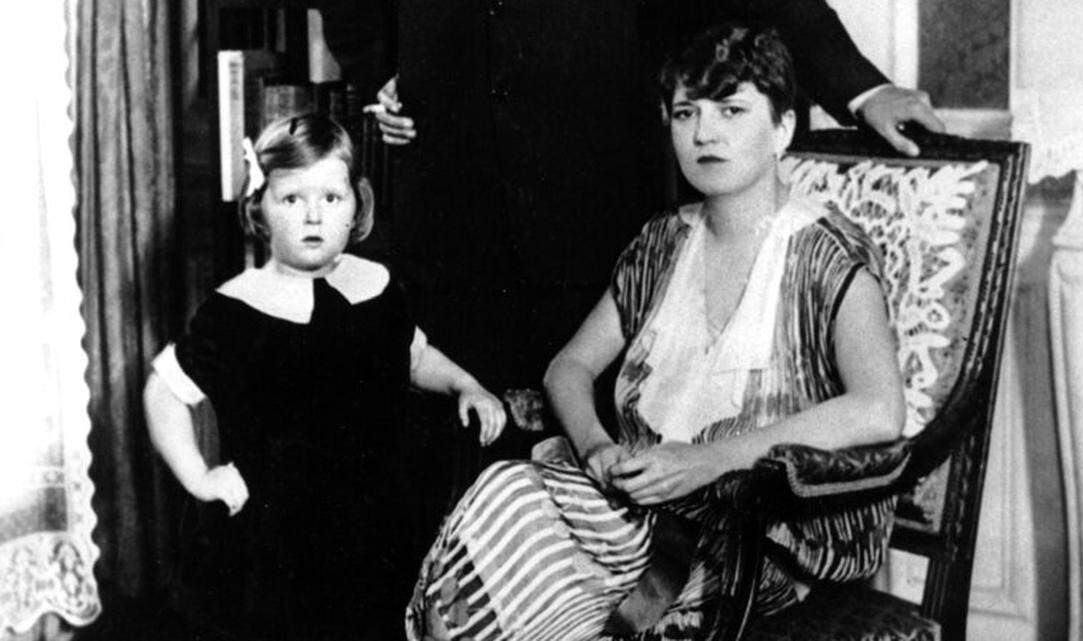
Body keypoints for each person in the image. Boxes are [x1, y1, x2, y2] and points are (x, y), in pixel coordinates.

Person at [404, 24, 906, 640]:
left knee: (549, 608)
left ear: (782, 129)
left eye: (731, 110)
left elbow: (879, 409)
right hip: (638, 513)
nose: (705, 134)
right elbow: (569, 368)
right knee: (502, 506)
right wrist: (595, 447)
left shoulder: (826, 253)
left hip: (755, 535)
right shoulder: (664, 240)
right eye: (686, 113)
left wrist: (708, 461)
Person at [316, 0, 939, 463]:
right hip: (451, 211)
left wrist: (863, 89)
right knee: (451, 475)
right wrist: (384, 69)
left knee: (610, 476)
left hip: (591, 205)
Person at [143, 113, 506, 640]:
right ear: (259, 208)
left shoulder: (377, 285)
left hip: (379, 527)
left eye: (331, 198)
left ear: (357, 204)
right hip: (275, 545)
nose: (313, 215)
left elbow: (413, 354)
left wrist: (464, 384)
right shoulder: (238, 307)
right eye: (292, 199)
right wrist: (200, 476)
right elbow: (163, 391)